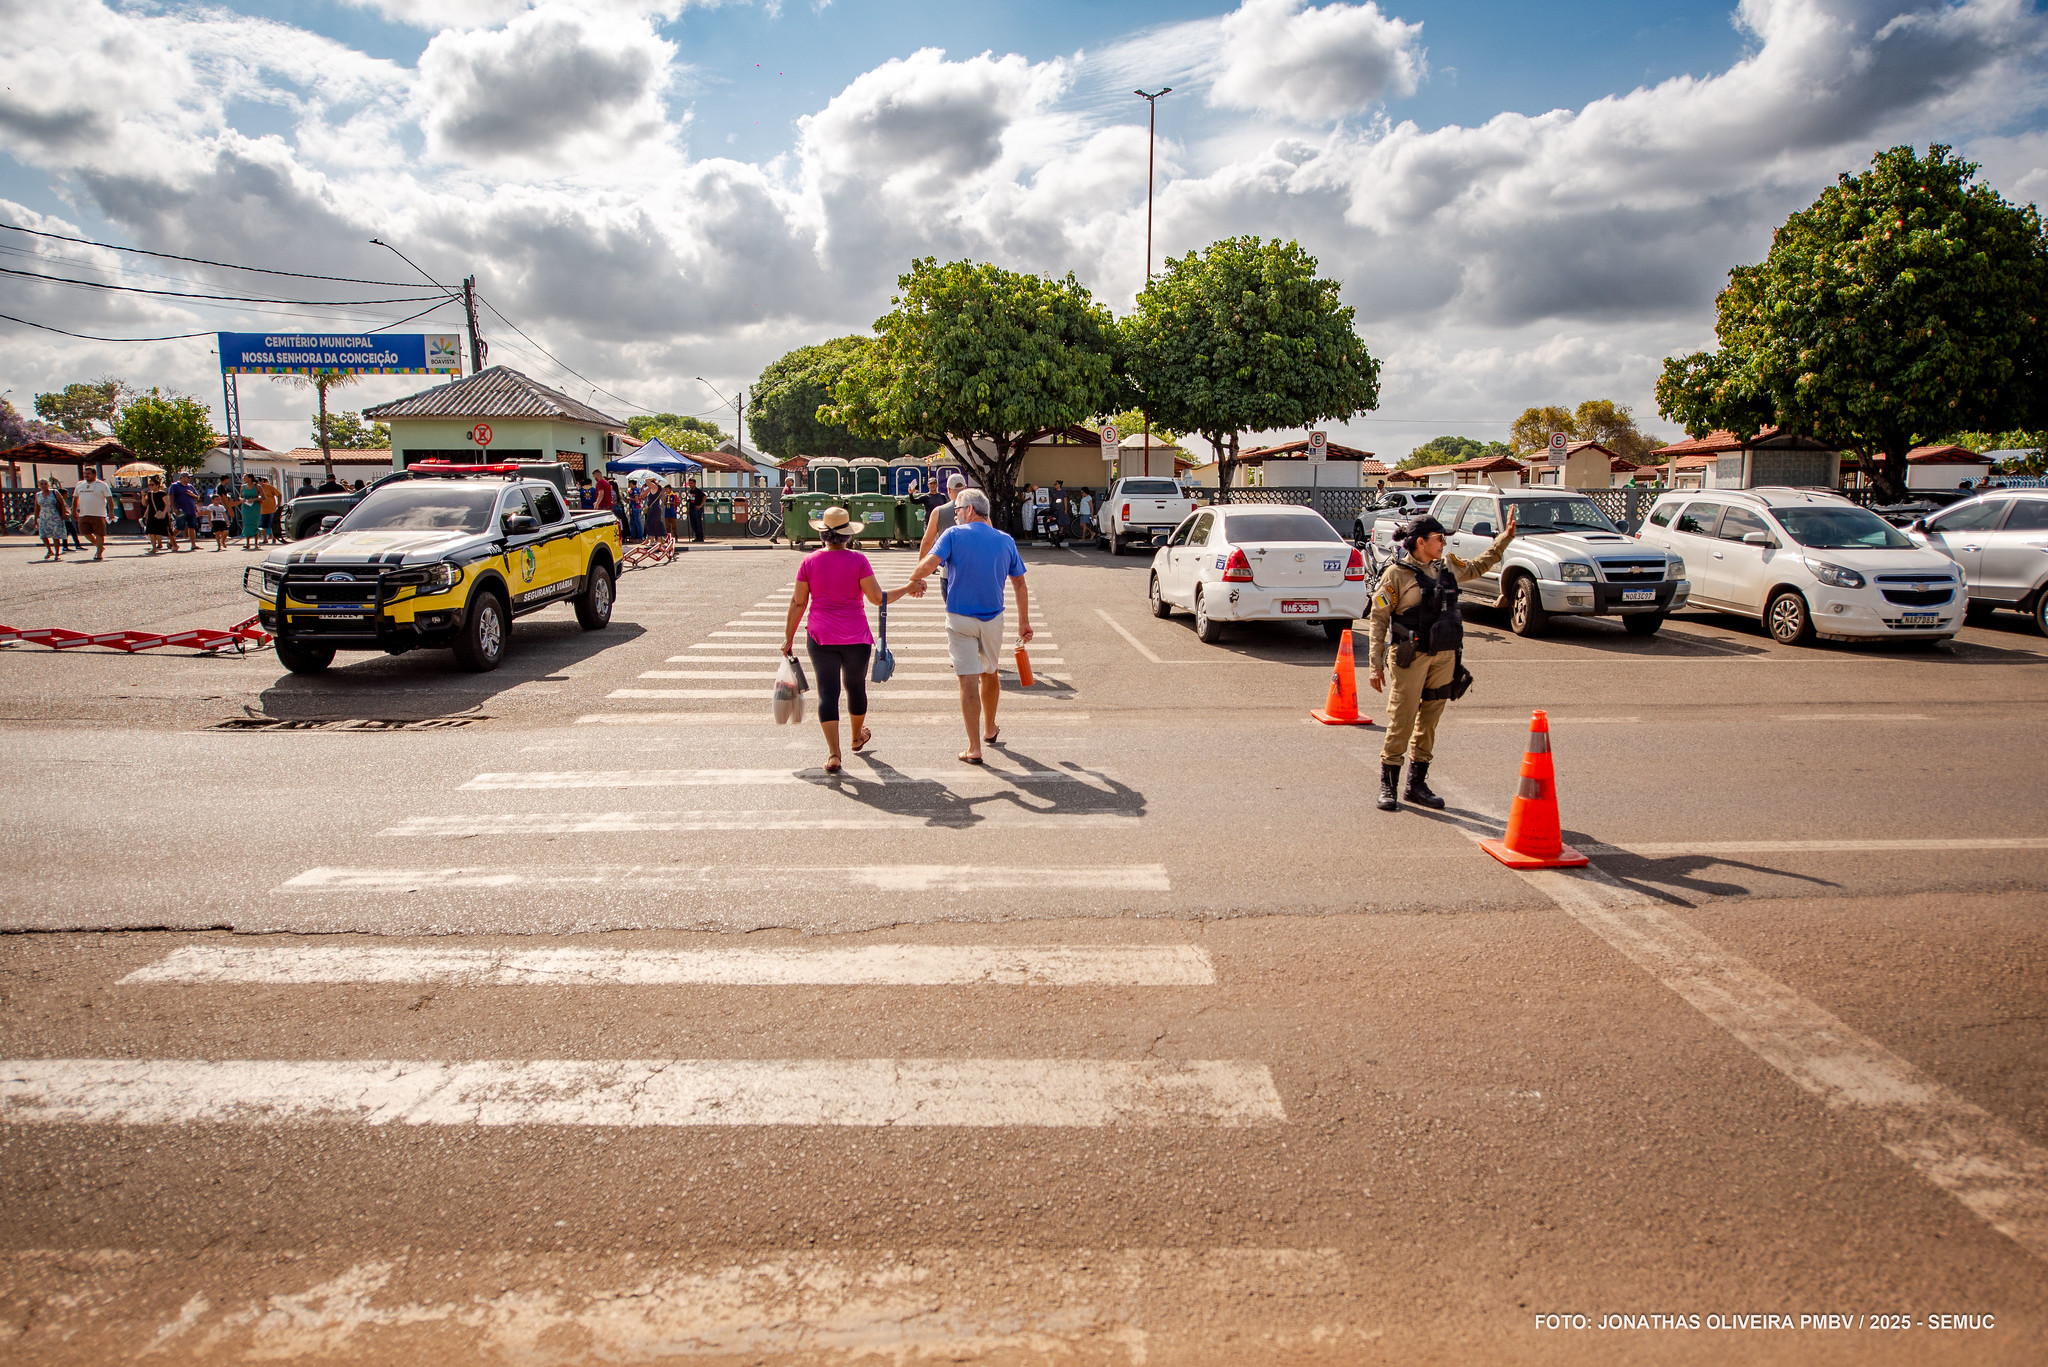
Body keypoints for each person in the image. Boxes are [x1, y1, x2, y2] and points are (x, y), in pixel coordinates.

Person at [1365, 508, 1519, 811]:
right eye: (1439, 539)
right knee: (1402, 720)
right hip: (1410, 657)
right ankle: (1389, 785)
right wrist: (1375, 663)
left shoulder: (1447, 566)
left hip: (1445, 656)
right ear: (1421, 542)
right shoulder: (1395, 574)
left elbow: (1479, 566)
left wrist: (1504, 540)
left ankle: (1417, 786)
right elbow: (1378, 619)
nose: (1444, 544)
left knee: (1430, 721)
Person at [781, 506, 925, 774]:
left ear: (823, 534)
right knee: (855, 688)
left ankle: (834, 754)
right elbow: (877, 598)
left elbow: (799, 602)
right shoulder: (858, 561)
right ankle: (857, 738)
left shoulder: (809, 562)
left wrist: (788, 638)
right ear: (847, 535)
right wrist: (908, 587)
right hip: (856, 637)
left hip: (820, 636)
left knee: (828, 693)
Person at [904, 487, 1031, 765]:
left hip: (959, 618)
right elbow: (1019, 583)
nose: (956, 516)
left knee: (967, 680)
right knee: (990, 673)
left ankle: (974, 747)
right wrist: (1023, 622)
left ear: (970, 510)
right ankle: (989, 728)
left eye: (958, 511)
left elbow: (928, 564)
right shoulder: (1005, 540)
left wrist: (914, 581)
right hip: (993, 619)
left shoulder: (953, 535)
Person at [918, 474, 967, 558]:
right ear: (965, 488)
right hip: (973, 565)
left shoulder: (938, 511)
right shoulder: (979, 511)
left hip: (948, 565)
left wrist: (921, 565)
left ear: (948, 489)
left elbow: (927, 541)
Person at [72, 466, 113, 561]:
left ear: (94, 474)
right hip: (83, 513)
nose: (86, 475)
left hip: (98, 514)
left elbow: (109, 499)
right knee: (84, 532)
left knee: (99, 534)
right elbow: (75, 498)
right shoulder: (80, 484)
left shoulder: (102, 485)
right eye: (85, 473)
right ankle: (98, 546)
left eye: (88, 473)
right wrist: (74, 511)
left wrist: (111, 512)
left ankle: (99, 553)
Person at [33, 479, 67, 560]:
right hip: (43, 516)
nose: (44, 485)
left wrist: (63, 513)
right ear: (39, 485)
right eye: (42, 484)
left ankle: (57, 553)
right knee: (43, 535)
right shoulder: (38, 495)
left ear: (48, 485)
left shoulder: (54, 492)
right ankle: (49, 550)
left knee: (55, 535)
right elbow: (37, 507)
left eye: (45, 484)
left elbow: (62, 503)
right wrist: (35, 518)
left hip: (54, 515)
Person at [169, 471, 201, 550]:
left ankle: (193, 544)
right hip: (180, 510)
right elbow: (171, 496)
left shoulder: (190, 486)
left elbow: (197, 497)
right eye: (188, 477)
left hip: (191, 509)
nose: (189, 479)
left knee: (192, 527)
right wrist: (173, 507)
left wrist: (192, 495)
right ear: (182, 477)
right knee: (179, 527)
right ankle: (171, 540)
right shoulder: (175, 486)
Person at [141, 476, 173, 553]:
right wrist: (142, 495)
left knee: (163, 531)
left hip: (161, 514)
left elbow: (167, 504)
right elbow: (145, 504)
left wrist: (164, 513)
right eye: (149, 485)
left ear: (157, 485)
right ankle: (154, 547)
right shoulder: (149, 494)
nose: (150, 486)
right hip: (152, 514)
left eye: (152, 485)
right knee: (151, 531)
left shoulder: (162, 493)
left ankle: (172, 543)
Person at [239, 474, 263, 550]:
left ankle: (256, 542)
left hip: (255, 507)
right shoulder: (243, 487)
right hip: (245, 507)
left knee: (254, 524)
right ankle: (247, 542)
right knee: (247, 524)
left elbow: (263, 497)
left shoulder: (257, 487)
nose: (244, 479)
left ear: (250, 478)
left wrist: (255, 499)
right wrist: (241, 499)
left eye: (245, 477)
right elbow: (240, 496)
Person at [257, 476, 282, 542]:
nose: (258, 483)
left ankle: (274, 538)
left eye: (259, 481)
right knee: (262, 526)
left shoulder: (269, 487)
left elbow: (279, 494)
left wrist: (279, 504)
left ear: (262, 481)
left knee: (272, 525)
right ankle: (265, 539)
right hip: (261, 510)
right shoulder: (256, 488)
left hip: (271, 509)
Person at [685, 477, 706, 542]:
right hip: (691, 509)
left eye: (691, 483)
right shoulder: (691, 491)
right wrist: (688, 509)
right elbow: (690, 501)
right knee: (693, 524)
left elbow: (704, 497)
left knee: (698, 523)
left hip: (697, 509)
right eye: (689, 483)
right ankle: (697, 536)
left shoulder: (698, 491)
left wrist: (701, 505)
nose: (690, 485)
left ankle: (700, 537)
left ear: (694, 483)